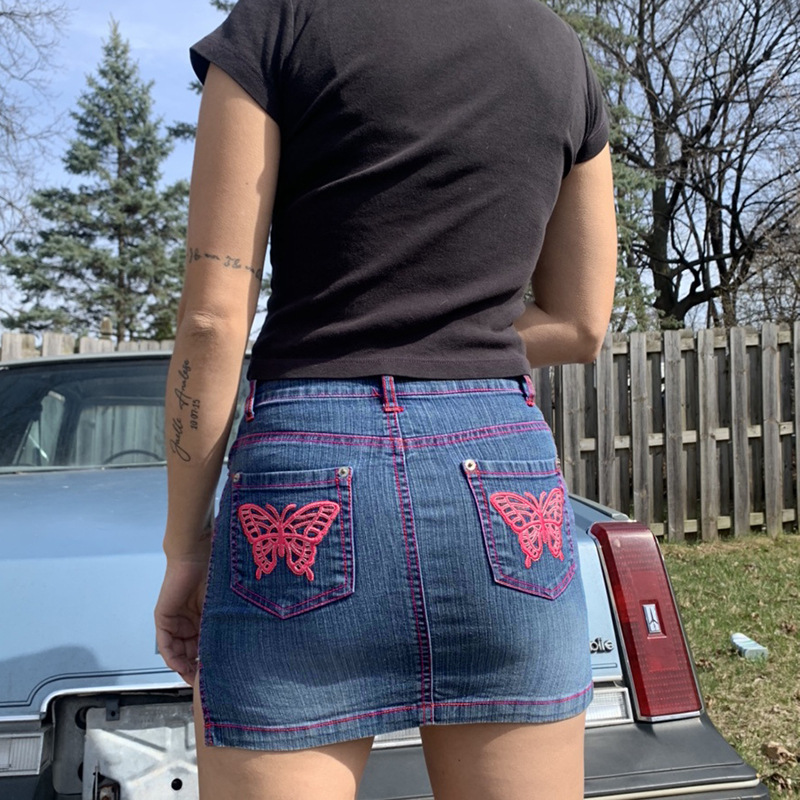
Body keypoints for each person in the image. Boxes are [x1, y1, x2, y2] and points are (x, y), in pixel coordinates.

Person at [154, 0, 617, 797]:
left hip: (305, 461)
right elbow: (580, 324)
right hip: (501, 468)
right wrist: (447, 337)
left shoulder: (281, 22)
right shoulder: (558, 50)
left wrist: (185, 547)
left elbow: (212, 321)